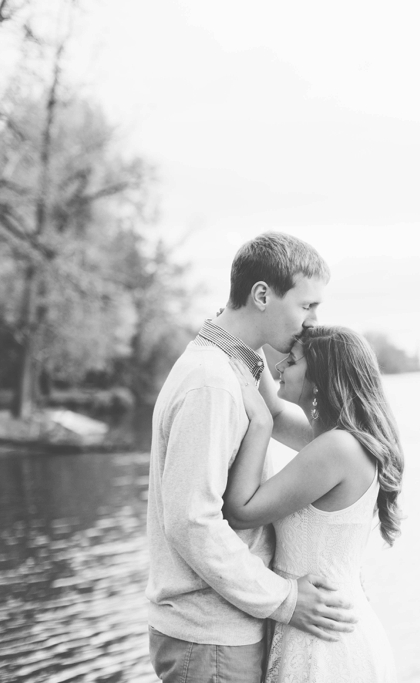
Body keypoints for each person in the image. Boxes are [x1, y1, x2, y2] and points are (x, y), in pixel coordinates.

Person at [145, 233, 357, 683]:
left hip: (224, 629)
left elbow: (277, 415)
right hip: (210, 637)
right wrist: (286, 599)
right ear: (262, 294)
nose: (312, 323)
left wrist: (356, 448)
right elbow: (190, 522)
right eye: (306, 306)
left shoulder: (235, 360)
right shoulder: (212, 383)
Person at [223, 325, 404, 682]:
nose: (279, 368)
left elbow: (240, 510)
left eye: (291, 361)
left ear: (320, 375)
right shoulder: (340, 441)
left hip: (325, 639)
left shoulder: (337, 449)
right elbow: (275, 413)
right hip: (322, 618)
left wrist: (256, 424)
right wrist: (240, 335)